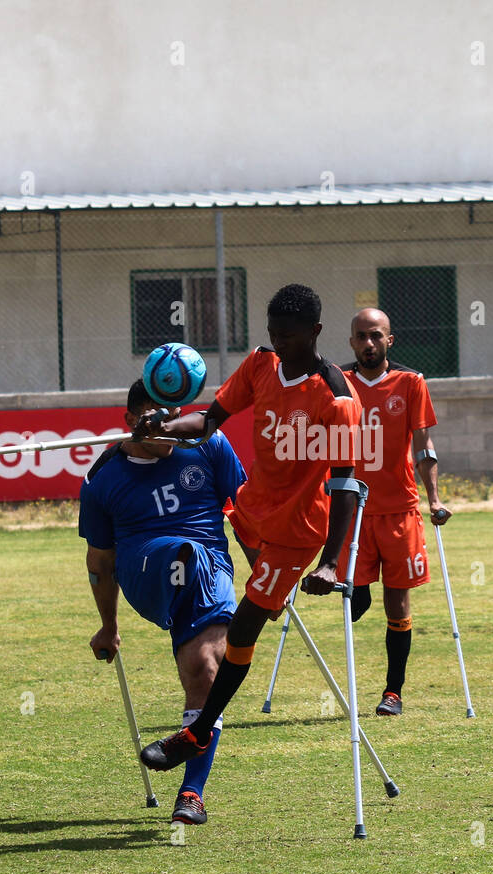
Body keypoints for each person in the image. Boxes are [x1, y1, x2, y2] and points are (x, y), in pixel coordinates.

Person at [135, 283, 364, 772]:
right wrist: (163, 427)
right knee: (257, 604)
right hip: (249, 515)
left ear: (316, 332)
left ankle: (195, 734)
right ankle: (274, 593)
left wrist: (330, 562)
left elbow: (345, 483)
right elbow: (209, 421)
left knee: (243, 625)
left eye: (289, 336)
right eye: (273, 334)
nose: (280, 344)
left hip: (295, 533)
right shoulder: (260, 364)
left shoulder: (338, 397)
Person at [79, 380, 247, 824]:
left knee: (207, 668)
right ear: (132, 422)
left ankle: (191, 794)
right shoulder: (103, 478)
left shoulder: (207, 442)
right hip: (144, 569)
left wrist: (269, 571)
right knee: (180, 552)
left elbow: (246, 511)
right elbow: (101, 561)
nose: (171, 430)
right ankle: (183, 560)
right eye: (158, 421)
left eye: (174, 418)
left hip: (211, 567)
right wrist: (108, 625)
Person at [337, 308, 449, 716]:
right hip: (351, 509)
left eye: (376, 336)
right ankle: (360, 586)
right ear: (351, 341)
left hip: (399, 508)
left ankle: (393, 692)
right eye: (361, 336)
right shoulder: (338, 382)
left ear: (390, 340)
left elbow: (424, 446)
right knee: (352, 594)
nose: (369, 343)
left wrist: (434, 499)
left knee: (397, 602)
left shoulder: (411, 382)